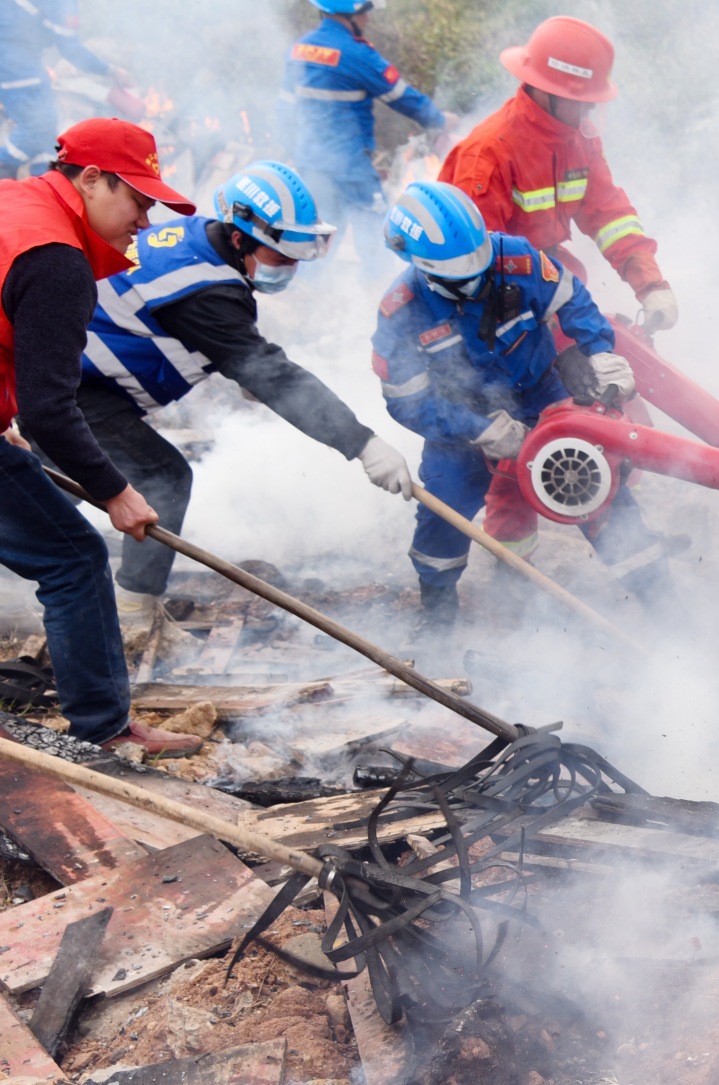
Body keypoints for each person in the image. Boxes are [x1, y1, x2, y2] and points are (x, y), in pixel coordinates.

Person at [78, 160, 416, 633]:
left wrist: (241, 364)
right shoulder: (203, 289)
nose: (290, 270)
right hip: (75, 387)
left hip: (83, 381)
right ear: (240, 237)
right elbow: (274, 375)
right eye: (280, 258)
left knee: (58, 481)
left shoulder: (202, 245)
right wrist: (361, 443)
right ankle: (131, 617)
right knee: (162, 476)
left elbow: (218, 337)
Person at [370, 181, 670, 639]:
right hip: (460, 425)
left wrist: (599, 352)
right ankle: (437, 623)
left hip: (538, 393)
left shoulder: (517, 259)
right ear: (422, 268)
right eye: (460, 281)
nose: (476, 284)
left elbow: (573, 301)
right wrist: (479, 429)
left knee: (599, 489)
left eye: (480, 269)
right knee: (442, 515)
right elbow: (406, 402)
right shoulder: (401, 312)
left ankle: (665, 608)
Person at [0, 118, 203, 756]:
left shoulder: (16, 200)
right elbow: (52, 409)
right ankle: (105, 731)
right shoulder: (57, 259)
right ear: (90, 178)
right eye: (137, 200)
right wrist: (116, 491)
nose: (144, 219)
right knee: (76, 560)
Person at [439, 16, 676, 332]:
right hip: (486, 301)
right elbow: (475, 268)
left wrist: (650, 284)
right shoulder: (489, 153)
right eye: (583, 102)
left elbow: (610, 216)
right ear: (547, 91)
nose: (589, 111)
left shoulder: (577, 138)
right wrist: (535, 317)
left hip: (542, 277)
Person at [280, 0, 449, 236]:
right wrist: (439, 120)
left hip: (311, 166)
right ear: (351, 15)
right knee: (377, 240)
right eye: (364, 13)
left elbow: (285, 111)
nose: (367, 19)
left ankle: (316, 275)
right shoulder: (356, 53)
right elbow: (402, 97)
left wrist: (298, 155)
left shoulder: (299, 50)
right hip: (350, 169)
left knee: (317, 242)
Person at [0, 0, 132, 177]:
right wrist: (110, 70)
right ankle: (6, 167)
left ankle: (43, 187)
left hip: (20, 59)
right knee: (37, 127)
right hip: (15, 62)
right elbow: (70, 49)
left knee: (46, 136)